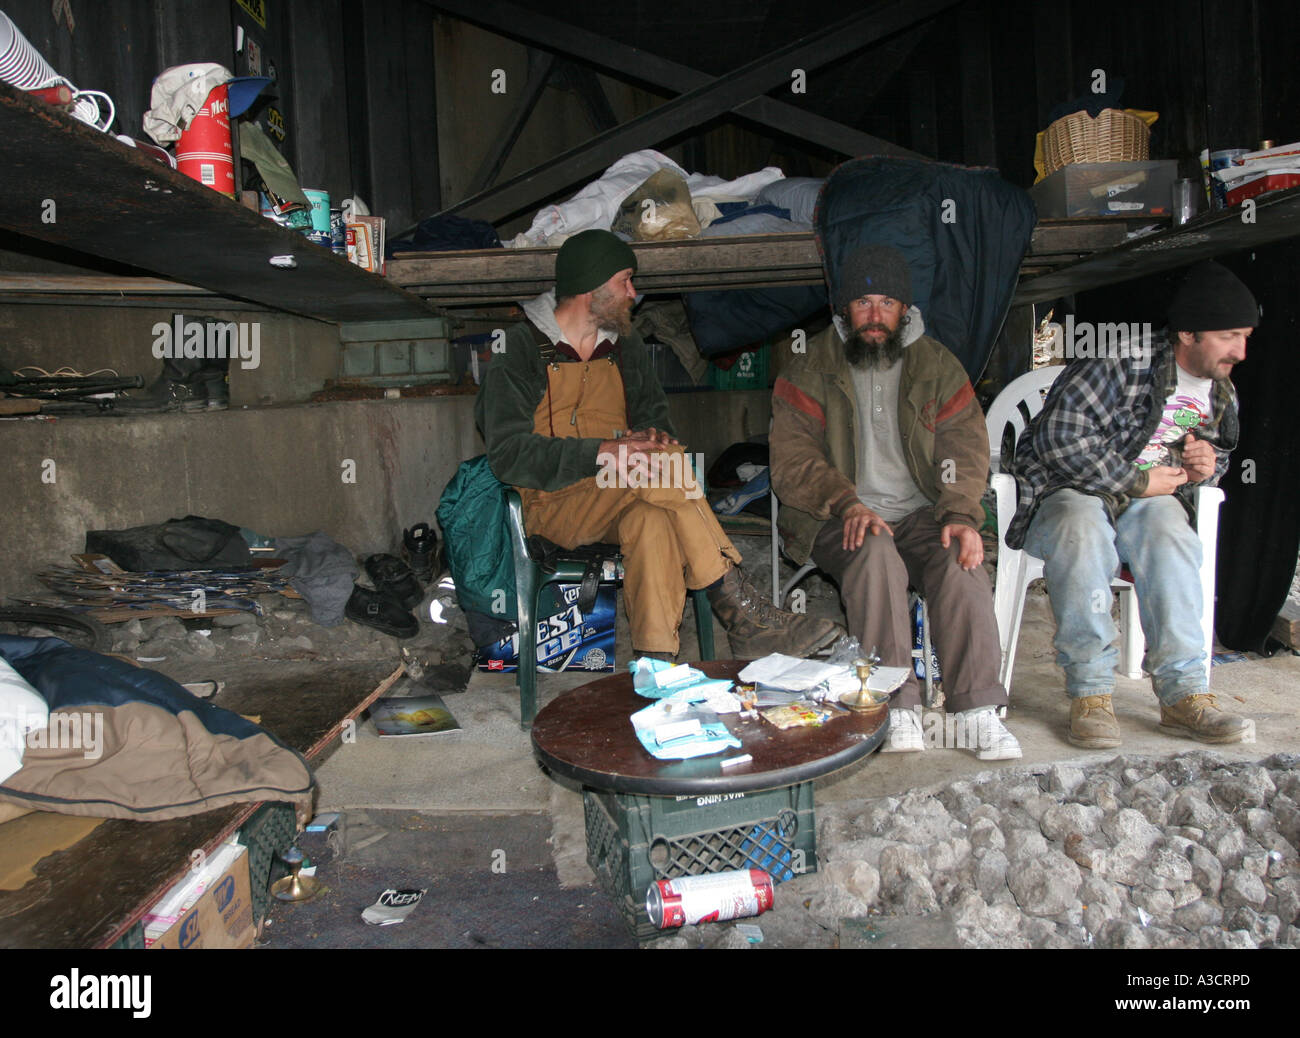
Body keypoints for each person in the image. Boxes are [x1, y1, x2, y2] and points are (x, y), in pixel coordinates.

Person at [476, 229, 842, 660]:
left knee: (653, 518)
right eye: (624, 280)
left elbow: (655, 417)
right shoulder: (518, 351)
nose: (634, 292)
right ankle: (740, 611)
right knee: (657, 467)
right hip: (551, 503)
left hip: (621, 491)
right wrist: (603, 452)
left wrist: (651, 436)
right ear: (589, 288)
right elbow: (507, 455)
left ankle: (655, 666)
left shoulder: (625, 345)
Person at [770, 244, 1020, 759]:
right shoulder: (807, 366)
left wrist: (959, 515)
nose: (876, 316)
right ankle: (893, 703)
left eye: (887, 303)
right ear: (843, 310)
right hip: (836, 516)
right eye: (863, 303)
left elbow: (965, 449)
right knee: (875, 552)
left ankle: (975, 710)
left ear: (905, 308)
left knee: (961, 555)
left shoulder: (937, 364)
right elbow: (792, 464)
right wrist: (846, 502)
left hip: (921, 512)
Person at [1006, 260, 1256, 747]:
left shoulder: (1218, 386)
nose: (1241, 352)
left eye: (1245, 336)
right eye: (1229, 335)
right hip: (1068, 490)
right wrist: (1135, 482)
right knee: (1082, 530)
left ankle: (1184, 694)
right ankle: (1091, 693)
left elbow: (1214, 453)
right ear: (1188, 332)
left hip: (1145, 500)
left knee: (1173, 538)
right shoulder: (1122, 360)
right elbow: (1059, 438)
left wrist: (1206, 465)